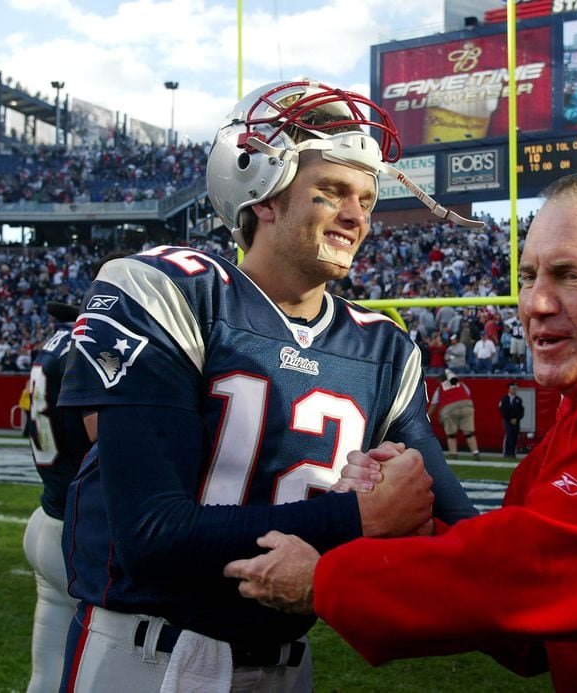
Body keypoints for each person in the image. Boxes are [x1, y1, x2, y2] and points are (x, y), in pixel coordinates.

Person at [224, 167, 577, 690]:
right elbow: (528, 632)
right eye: (527, 276)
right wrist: (413, 530)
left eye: (572, 275)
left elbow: (543, 573)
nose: (536, 303)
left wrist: (326, 582)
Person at [56, 79, 480, 692]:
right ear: (263, 193)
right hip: (146, 655)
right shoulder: (172, 291)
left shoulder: (382, 346)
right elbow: (149, 533)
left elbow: (448, 521)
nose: (357, 216)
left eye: (366, 198)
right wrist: (357, 517)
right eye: (331, 192)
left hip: (287, 663)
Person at [22, 301, 94, 693]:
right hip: (79, 533)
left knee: (47, 677)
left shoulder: (55, 343)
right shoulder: (90, 345)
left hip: (48, 515)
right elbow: (103, 432)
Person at [426, 370, 480, 461]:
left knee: (451, 435)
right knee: (469, 433)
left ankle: (454, 455)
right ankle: (475, 453)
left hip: (449, 408)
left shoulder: (440, 387)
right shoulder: (460, 383)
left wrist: (426, 418)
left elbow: (434, 404)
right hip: (466, 405)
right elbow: (468, 393)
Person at [498, 382, 524, 459]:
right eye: (512, 389)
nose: (514, 390)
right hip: (507, 421)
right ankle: (506, 453)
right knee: (509, 435)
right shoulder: (504, 399)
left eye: (515, 389)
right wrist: (509, 419)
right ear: (509, 389)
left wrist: (516, 418)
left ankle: (512, 453)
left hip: (516, 421)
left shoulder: (518, 400)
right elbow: (502, 410)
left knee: (514, 436)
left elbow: (521, 411)